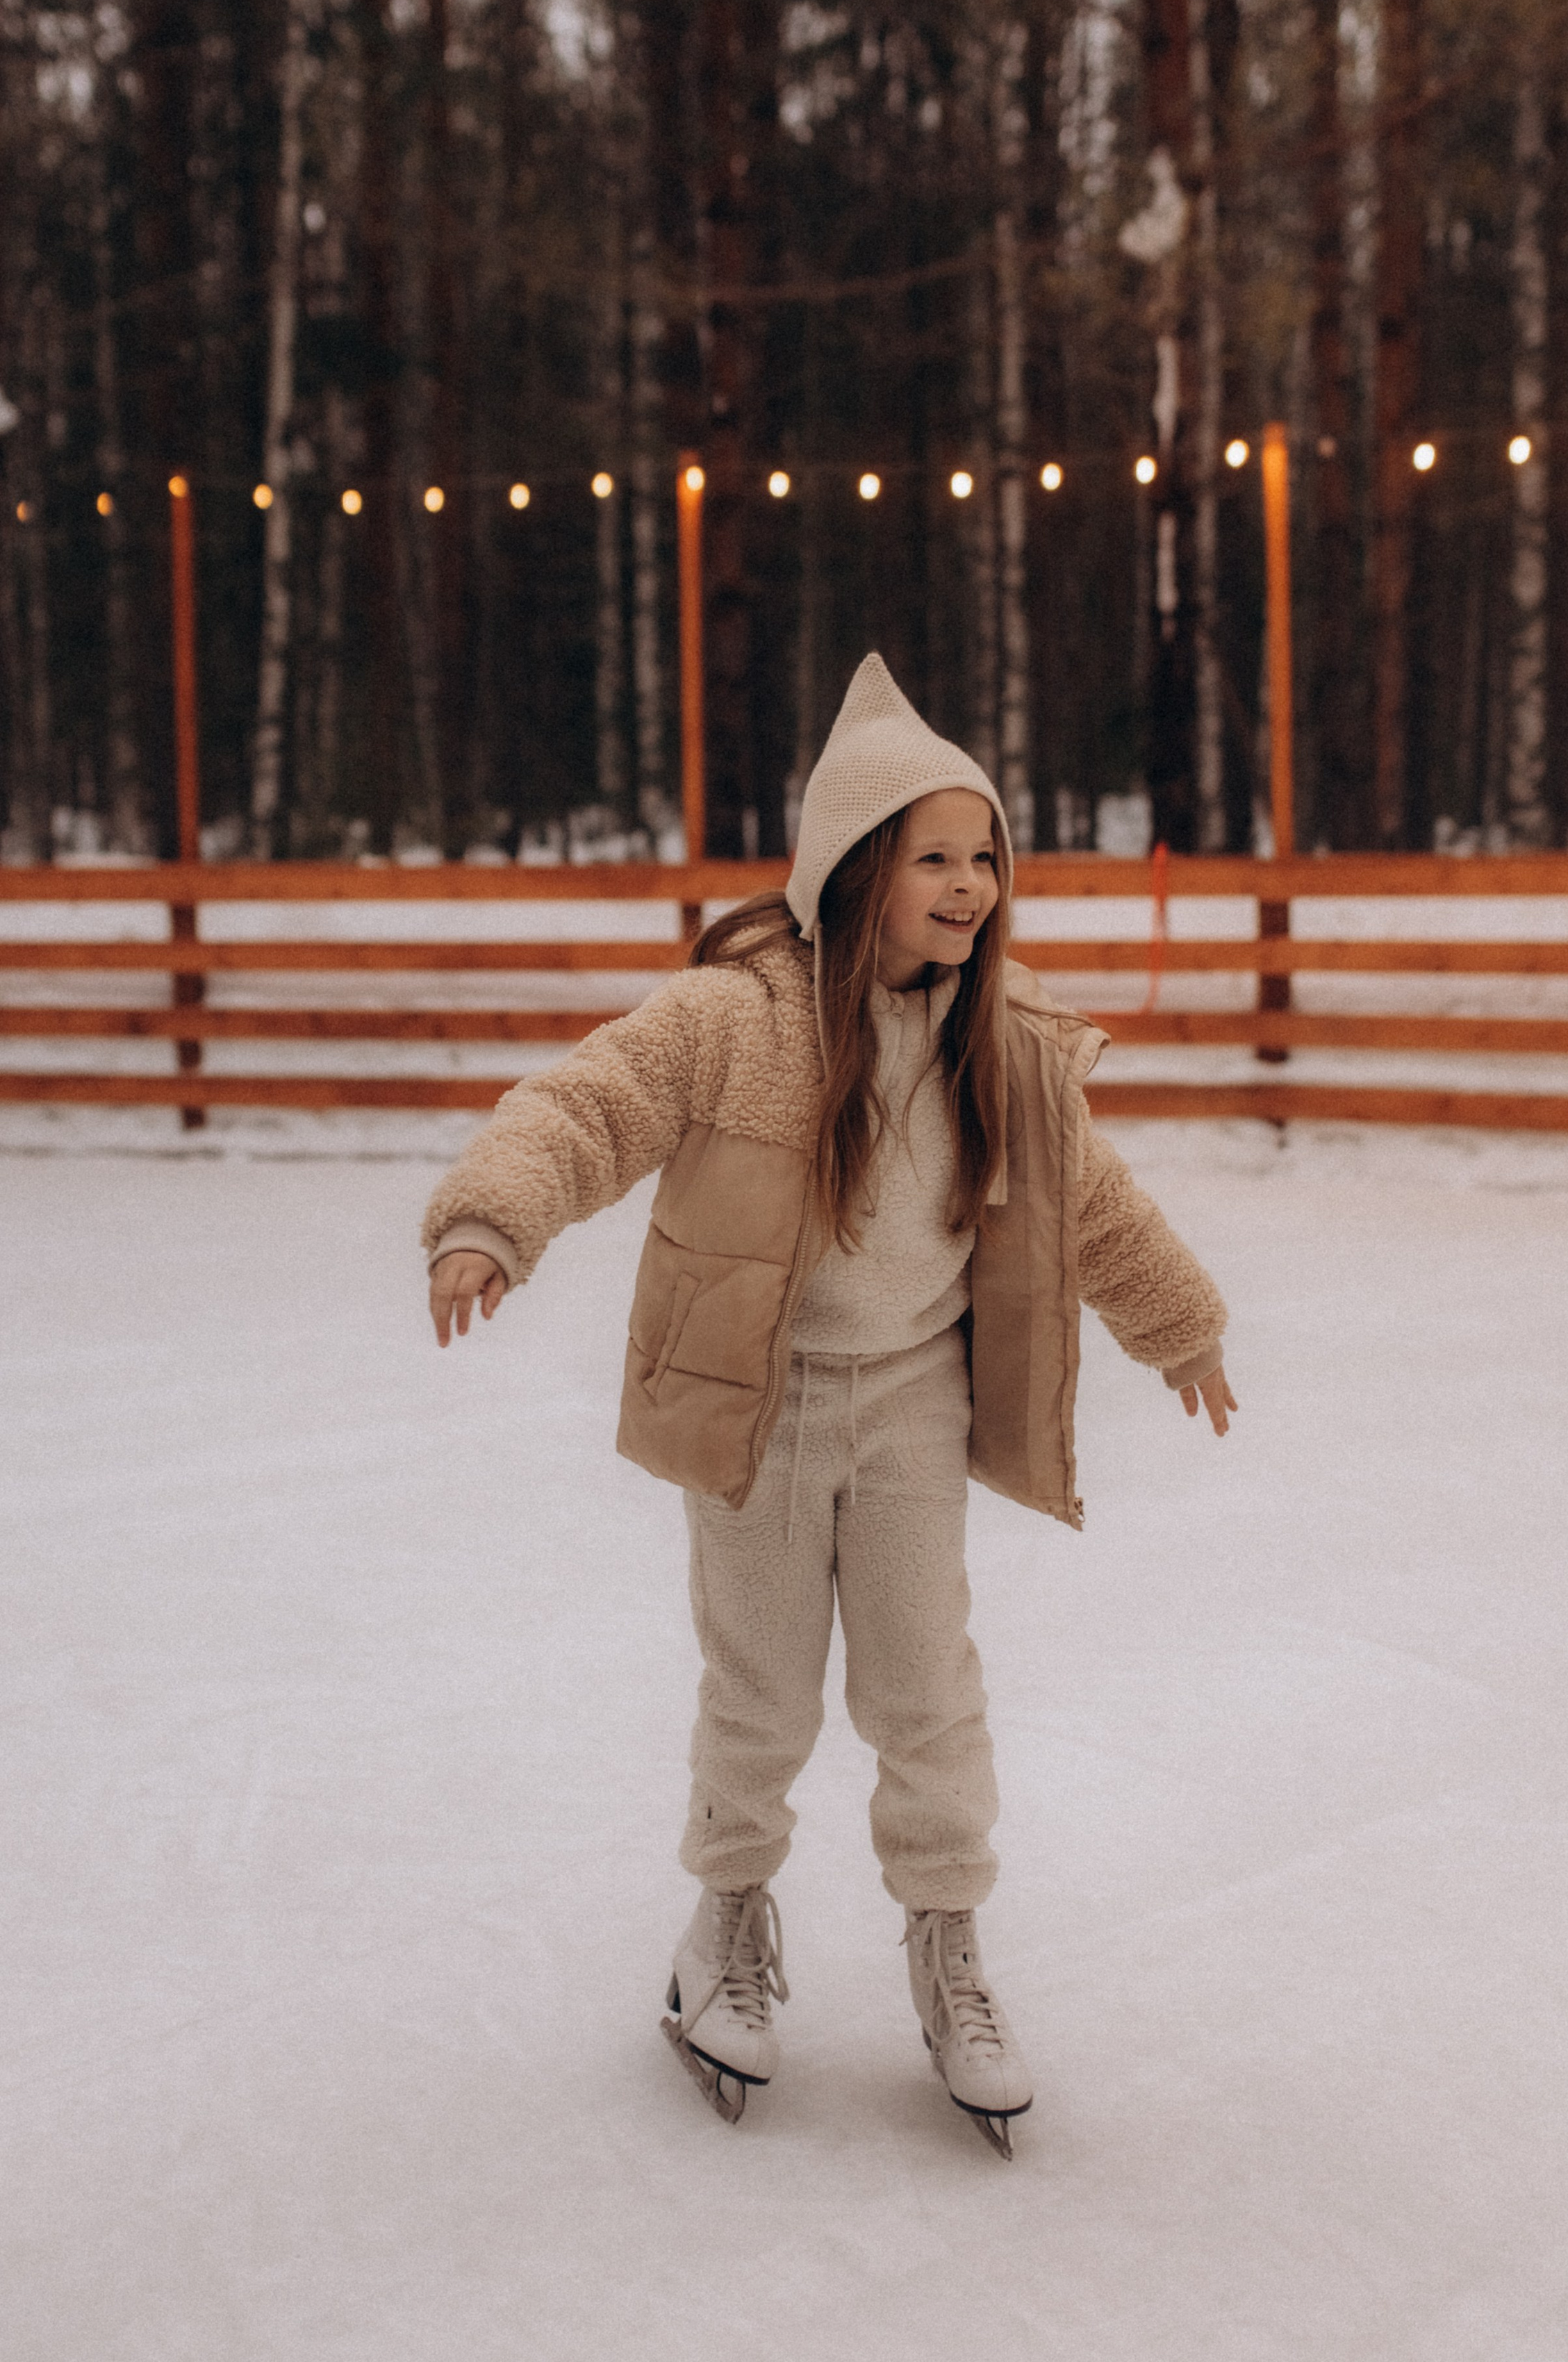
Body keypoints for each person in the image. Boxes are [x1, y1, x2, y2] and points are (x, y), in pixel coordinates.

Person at [423, 654, 1235, 2157]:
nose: (971, 885)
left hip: (917, 1400)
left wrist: (1179, 1327)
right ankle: (725, 1921)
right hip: (767, 1403)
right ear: (855, 864)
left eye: (985, 855)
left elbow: (1095, 1205)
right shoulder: (735, 1020)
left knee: (927, 1690)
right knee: (764, 1688)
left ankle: (948, 1942)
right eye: (936, 857)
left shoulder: (1002, 1039)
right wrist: (491, 1218)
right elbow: (585, 1106)